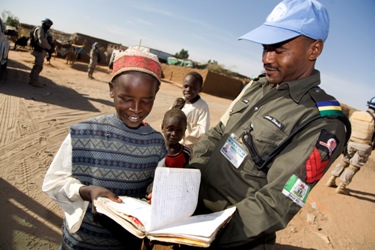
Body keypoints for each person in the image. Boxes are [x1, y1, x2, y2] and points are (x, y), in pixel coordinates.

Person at [188, 0, 350, 249]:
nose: (266, 58)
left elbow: (278, 201)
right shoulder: (257, 85)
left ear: (314, 49)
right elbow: (218, 134)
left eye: (279, 49)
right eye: (265, 48)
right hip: (190, 214)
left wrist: (208, 231)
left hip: (228, 237)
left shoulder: (323, 122)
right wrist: (182, 181)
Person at [42, 47, 167, 250]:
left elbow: (155, 188)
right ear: (111, 90)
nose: (136, 109)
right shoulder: (84, 133)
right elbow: (53, 183)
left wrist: (156, 194)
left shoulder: (156, 143)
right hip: (81, 243)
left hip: (125, 244)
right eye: (126, 99)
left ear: (156, 94)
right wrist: (85, 191)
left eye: (146, 101)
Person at [326, 97, 375, 194]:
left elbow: (348, 127)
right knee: (354, 166)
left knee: (344, 161)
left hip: (351, 142)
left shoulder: (356, 114)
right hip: (364, 146)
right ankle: (341, 187)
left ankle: (331, 179)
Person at [173, 71, 210, 148]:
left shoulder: (202, 107)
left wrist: (182, 129)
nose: (188, 90)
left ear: (200, 89)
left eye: (193, 88)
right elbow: (168, 118)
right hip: (171, 141)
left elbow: (203, 130)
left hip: (185, 147)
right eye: (186, 86)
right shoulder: (179, 102)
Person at [29, 18, 53, 87]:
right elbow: (41, 41)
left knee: (39, 66)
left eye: (50, 25)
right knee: (38, 66)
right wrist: (49, 48)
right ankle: (34, 81)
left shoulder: (44, 30)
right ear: (44, 23)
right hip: (38, 50)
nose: (49, 26)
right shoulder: (40, 29)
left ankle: (33, 79)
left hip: (41, 50)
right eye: (48, 24)